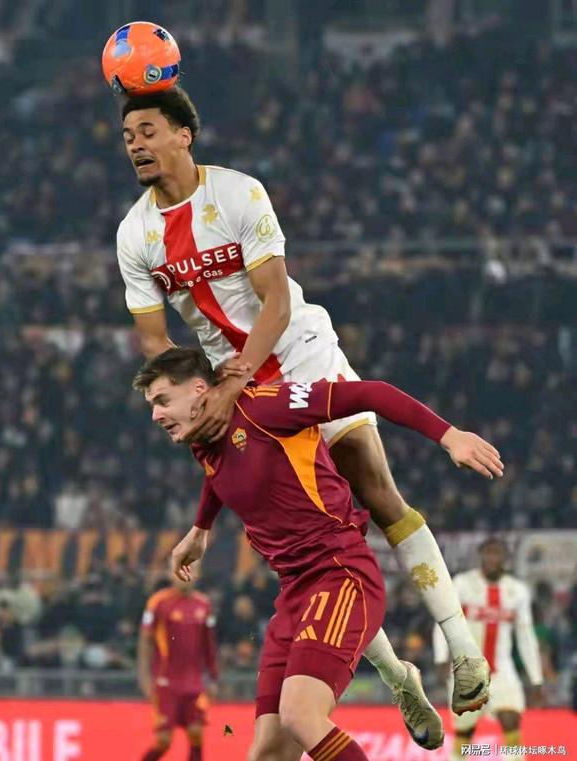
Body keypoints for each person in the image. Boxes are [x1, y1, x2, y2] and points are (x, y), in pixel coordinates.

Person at [115, 86, 492, 716]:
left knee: (376, 490)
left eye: (148, 131)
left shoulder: (239, 194)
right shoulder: (134, 234)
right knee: (299, 538)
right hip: (225, 381)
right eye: (128, 137)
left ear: (184, 134)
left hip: (296, 351)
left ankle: (463, 651)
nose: (136, 145)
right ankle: (398, 675)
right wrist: (193, 392)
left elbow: (277, 300)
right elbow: (155, 341)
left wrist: (235, 382)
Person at [133, 347, 504, 761]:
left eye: (162, 400)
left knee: (301, 716)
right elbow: (220, 473)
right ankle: (399, 677)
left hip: (340, 574)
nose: (156, 415)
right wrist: (201, 528)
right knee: (267, 753)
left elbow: (371, 393)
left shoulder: (265, 408)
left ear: (200, 389)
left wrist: (449, 436)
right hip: (294, 593)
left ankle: (439, 660)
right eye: (152, 405)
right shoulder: (202, 439)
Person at [433, 537, 544, 761]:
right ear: (481, 555)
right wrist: (441, 657)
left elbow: (526, 637)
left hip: (502, 670)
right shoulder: (463, 584)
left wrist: (536, 678)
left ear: (505, 558)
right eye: (489, 552)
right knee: (465, 732)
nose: (493, 558)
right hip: (467, 669)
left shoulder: (517, 591)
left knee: (511, 719)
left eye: (498, 553)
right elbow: (444, 620)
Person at [138, 569, 218, 761]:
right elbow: (145, 641)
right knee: (163, 741)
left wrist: (213, 678)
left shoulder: (204, 604)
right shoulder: (158, 602)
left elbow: (209, 645)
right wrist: (144, 677)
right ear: (171, 574)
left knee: (196, 734)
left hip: (194, 682)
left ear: (197, 575)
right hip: (166, 682)